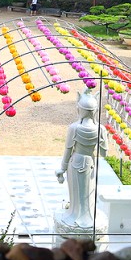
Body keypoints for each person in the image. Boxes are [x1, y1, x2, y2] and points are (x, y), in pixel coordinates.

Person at [55, 88, 107, 230]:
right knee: (87, 191)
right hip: (90, 162)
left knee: (77, 191)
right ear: (94, 111)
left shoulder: (74, 128)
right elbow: (104, 153)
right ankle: (84, 214)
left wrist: (62, 168)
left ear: (80, 110)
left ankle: (75, 214)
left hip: (75, 161)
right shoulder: (100, 129)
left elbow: (68, 150)